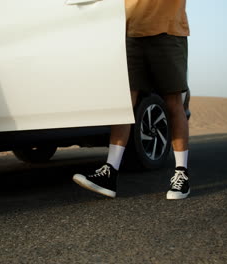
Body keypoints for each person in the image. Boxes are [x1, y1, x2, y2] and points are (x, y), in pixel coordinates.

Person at [72, 0, 191, 200]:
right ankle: (110, 173)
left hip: (167, 31)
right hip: (128, 32)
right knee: (125, 103)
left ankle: (181, 174)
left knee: (173, 103)